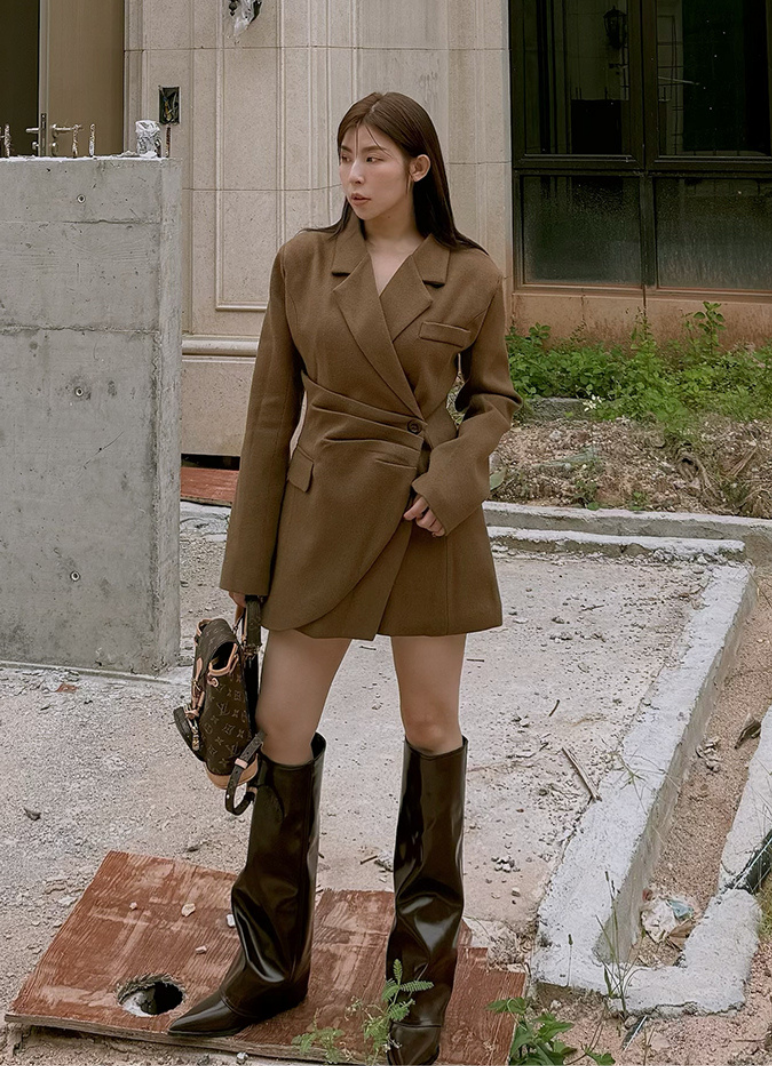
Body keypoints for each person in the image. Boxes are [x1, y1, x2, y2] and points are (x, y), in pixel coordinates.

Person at [168, 90, 523, 1066]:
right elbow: (266, 415)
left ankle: (418, 984)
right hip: (322, 513)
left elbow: (492, 397)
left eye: (373, 157)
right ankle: (268, 963)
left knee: (430, 725)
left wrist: (458, 476)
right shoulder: (302, 260)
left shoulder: (468, 271)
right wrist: (247, 568)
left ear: (418, 166)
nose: (354, 175)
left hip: (425, 517)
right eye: (345, 157)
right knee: (279, 728)